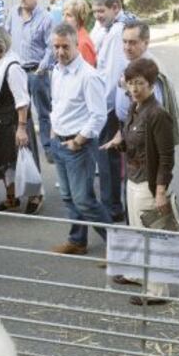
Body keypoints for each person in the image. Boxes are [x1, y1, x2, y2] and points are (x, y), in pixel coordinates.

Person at [102, 58, 175, 306]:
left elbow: (166, 158)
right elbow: (133, 142)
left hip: (148, 183)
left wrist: (161, 191)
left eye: (140, 83)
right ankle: (137, 274)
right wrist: (118, 143)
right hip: (132, 179)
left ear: (151, 84)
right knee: (136, 231)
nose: (134, 89)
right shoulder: (135, 108)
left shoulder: (158, 114)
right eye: (130, 83)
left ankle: (158, 291)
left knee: (151, 235)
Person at [50, 22, 112, 256]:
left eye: (65, 46)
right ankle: (77, 241)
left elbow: (99, 116)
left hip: (79, 146)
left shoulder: (89, 76)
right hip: (60, 142)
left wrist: (78, 141)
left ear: (76, 44)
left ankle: (118, 246)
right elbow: (57, 103)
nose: (60, 52)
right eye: (56, 46)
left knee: (84, 200)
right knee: (68, 197)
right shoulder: (57, 70)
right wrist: (53, 130)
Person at [0, 26, 42, 213]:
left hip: (13, 122)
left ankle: (35, 195)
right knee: (4, 162)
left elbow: (22, 101)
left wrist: (21, 128)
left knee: (22, 161)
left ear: (1, 46)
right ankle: (11, 198)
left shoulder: (13, 68)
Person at [93, 0, 130, 223]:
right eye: (95, 11)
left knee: (107, 160)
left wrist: (102, 107)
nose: (97, 16)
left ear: (115, 7)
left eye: (101, 11)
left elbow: (113, 73)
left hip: (109, 104)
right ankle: (113, 204)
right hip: (108, 102)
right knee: (109, 159)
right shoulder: (111, 27)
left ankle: (112, 207)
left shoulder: (117, 32)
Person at [6, 0, 54, 165]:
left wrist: (42, 67)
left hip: (37, 72)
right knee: (20, 111)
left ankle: (48, 148)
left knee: (43, 112)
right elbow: (6, 37)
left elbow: (51, 47)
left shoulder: (46, 18)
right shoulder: (13, 13)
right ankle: (22, 145)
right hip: (18, 72)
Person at [115, 20, 179, 146]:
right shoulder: (132, 61)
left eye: (132, 42)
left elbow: (152, 112)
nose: (127, 47)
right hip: (130, 130)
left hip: (143, 136)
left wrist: (127, 89)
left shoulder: (150, 69)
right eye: (124, 41)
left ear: (146, 43)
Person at [63, 0, 96, 67]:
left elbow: (88, 74)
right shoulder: (73, 38)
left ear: (79, 19)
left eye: (69, 15)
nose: (64, 18)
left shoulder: (83, 43)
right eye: (63, 14)